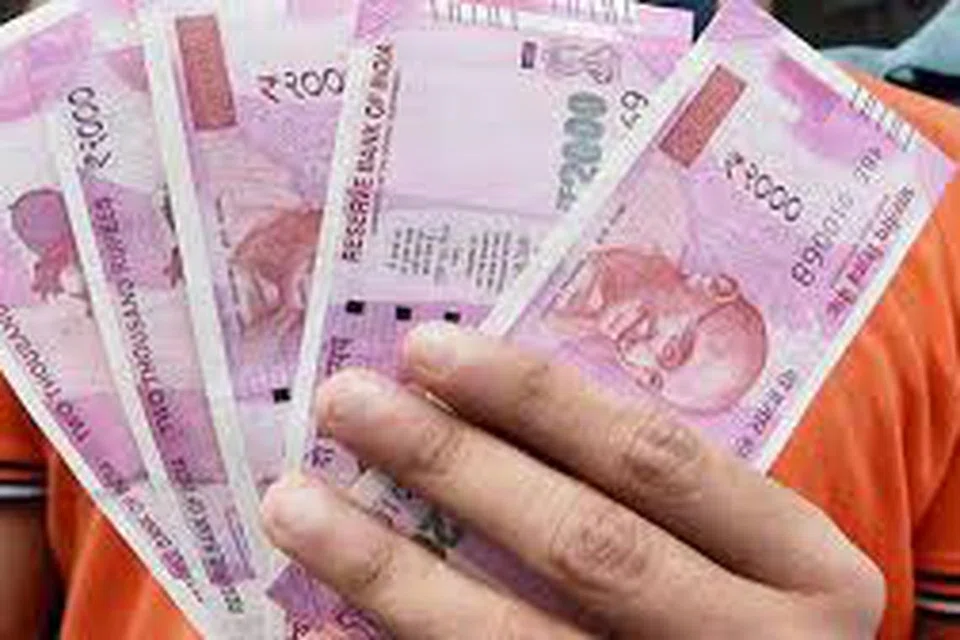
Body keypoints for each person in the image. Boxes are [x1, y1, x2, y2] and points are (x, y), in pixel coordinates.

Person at [1, 37, 958, 640]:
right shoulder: (74, 122)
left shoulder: (930, 191)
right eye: (673, 346)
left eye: (661, 365)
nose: (641, 352)